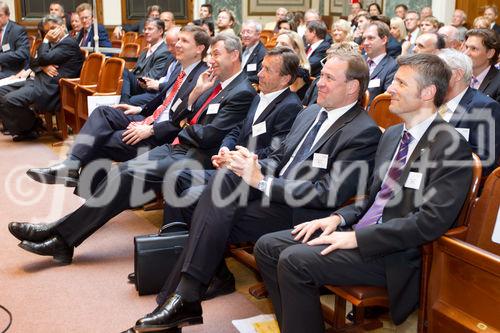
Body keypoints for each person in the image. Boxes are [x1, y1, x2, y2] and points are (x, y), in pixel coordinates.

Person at [127, 51, 383, 333]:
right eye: (321, 76)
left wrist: (262, 181)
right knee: (220, 183)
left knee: (207, 204)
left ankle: (178, 301)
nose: (318, 83)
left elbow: (327, 194)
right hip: (270, 196)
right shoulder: (310, 113)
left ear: (352, 87)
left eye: (328, 78)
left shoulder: (363, 132)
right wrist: (249, 163)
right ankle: (184, 297)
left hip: (304, 214)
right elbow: (281, 156)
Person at [254, 53, 473, 333]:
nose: (390, 89)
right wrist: (338, 219)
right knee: (268, 246)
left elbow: (429, 222)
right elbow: (373, 199)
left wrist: (357, 237)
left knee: (295, 261)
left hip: (395, 253)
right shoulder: (393, 135)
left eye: (401, 83)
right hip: (360, 232)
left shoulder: (451, 148)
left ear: (428, 92)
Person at [9, 33, 256, 263]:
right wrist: (193, 99)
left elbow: (207, 134)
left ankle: (59, 234)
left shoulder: (241, 91)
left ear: (234, 55)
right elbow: (181, 115)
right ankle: (62, 236)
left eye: (216, 54)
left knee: (125, 174)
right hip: (176, 146)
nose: (210, 60)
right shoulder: (212, 82)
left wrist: (182, 125)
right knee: (121, 172)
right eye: (210, 54)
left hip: (195, 158)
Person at [26, 25, 209, 186]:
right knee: (103, 112)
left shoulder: (202, 78)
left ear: (199, 48)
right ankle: (72, 163)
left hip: (161, 134)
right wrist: (139, 109)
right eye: (178, 40)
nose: (177, 45)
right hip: (149, 118)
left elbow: (184, 120)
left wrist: (151, 129)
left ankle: (92, 198)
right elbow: (164, 100)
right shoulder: (179, 67)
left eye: (183, 41)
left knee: (100, 140)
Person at [160, 47, 304, 234]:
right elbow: (238, 129)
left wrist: (235, 159)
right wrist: (225, 149)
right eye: (261, 67)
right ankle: (173, 239)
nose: (259, 74)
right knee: (176, 177)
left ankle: (184, 243)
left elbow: (275, 152)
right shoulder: (260, 97)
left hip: (253, 175)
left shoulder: (290, 106)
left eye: (267, 70)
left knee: (191, 195)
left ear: (285, 79)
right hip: (233, 164)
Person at [0, 14, 83, 142]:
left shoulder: (68, 44)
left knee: (9, 100)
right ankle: (29, 126)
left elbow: (42, 58)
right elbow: (32, 61)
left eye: (53, 28)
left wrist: (45, 42)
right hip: (37, 80)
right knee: (1, 92)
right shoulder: (54, 44)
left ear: (62, 27)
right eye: (47, 30)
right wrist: (43, 67)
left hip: (50, 89)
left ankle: (32, 126)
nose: (49, 33)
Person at [437, 48, 500, 175]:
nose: (431, 77)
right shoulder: (430, 101)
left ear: (458, 75)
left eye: (437, 72)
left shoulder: (484, 107)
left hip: (452, 182)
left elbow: (486, 162)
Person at [120, 18, 172, 104]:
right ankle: (124, 101)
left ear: (160, 31)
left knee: (124, 71)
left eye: (150, 29)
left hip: (149, 88)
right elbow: (135, 70)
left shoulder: (164, 51)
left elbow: (153, 77)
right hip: (138, 84)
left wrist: (132, 78)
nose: (146, 32)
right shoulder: (145, 51)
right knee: (123, 72)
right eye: (145, 29)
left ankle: (124, 101)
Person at [128, 26, 181, 106]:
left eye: (172, 45)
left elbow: (178, 84)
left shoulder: (184, 61)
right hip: (155, 88)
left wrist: (158, 85)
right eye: (167, 45)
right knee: (124, 72)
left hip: (165, 93)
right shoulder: (171, 57)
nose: (169, 49)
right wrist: (150, 81)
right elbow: (161, 76)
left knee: (132, 101)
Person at [362, 22, 398, 106]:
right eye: (364, 38)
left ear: (384, 40)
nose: (365, 43)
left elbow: (385, 102)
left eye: (370, 38)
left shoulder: (393, 66)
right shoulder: (358, 61)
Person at [464, 29, 500, 103]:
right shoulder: (458, 76)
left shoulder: (498, 83)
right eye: (466, 47)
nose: (466, 53)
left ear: (490, 53)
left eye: (473, 49)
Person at [276, 30, 311, 99]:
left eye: (283, 44)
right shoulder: (281, 66)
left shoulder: (300, 73)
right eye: (277, 43)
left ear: (296, 49)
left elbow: (283, 96)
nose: (277, 46)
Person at [0, 2, 30, 79]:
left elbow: (22, 53)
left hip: (11, 70)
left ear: (7, 15)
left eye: (0, 15)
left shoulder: (17, 30)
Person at [240, 20, 267, 84]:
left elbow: (260, 77)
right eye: (243, 32)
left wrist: (238, 79)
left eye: (248, 32)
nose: (245, 35)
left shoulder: (263, 53)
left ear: (258, 34)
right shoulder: (240, 50)